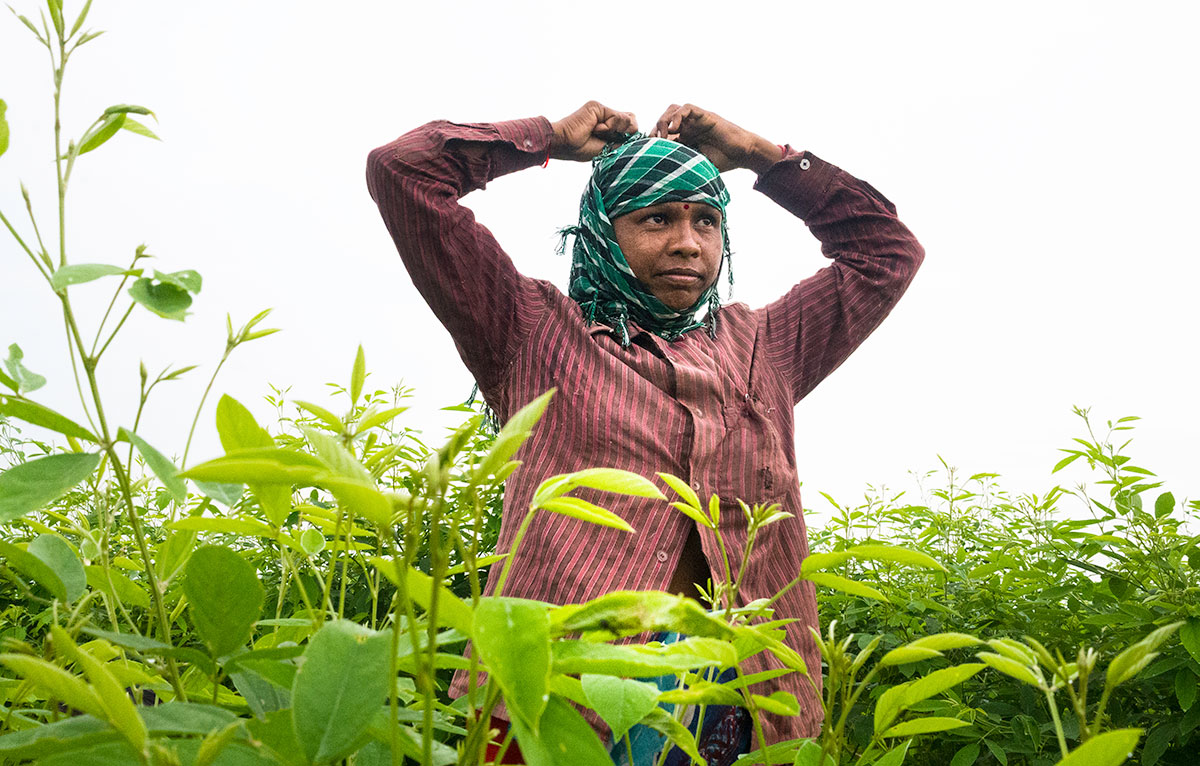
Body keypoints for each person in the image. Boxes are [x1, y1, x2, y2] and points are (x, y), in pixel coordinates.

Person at [366, 101, 924, 761]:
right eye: (657, 218)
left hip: (742, 697)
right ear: (603, 230)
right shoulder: (530, 330)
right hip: (559, 692)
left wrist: (754, 153)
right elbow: (403, 173)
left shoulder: (765, 347)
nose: (688, 243)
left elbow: (887, 253)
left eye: (707, 221)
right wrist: (549, 140)